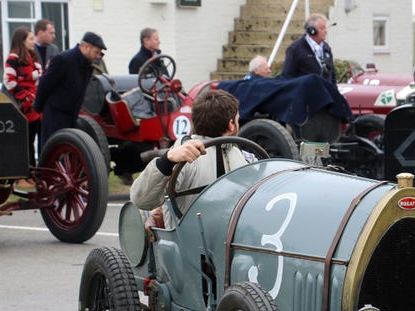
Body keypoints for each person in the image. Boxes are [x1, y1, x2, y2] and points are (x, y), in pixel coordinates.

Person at [130, 89, 257, 229]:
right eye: (238, 119)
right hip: (193, 244)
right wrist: (167, 160)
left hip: (235, 238)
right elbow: (141, 200)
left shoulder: (241, 155)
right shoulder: (184, 155)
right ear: (231, 124)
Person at [34, 31, 106, 148]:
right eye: (96, 52)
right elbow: (45, 84)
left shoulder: (87, 65)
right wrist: (38, 107)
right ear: (86, 47)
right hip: (55, 115)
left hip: (72, 116)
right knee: (52, 149)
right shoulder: (63, 59)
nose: (98, 56)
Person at [4, 26, 43, 166]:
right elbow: (8, 81)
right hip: (25, 107)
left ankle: (37, 170)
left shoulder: (33, 58)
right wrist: (26, 98)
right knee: (27, 141)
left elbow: (38, 79)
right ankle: (27, 171)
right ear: (22, 41)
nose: (34, 41)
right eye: (31, 39)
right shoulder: (13, 58)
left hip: (36, 106)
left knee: (39, 139)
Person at [281, 13, 335, 85]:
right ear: (312, 31)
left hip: (325, 94)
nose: (326, 31)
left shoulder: (326, 48)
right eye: (322, 28)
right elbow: (287, 76)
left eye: (325, 28)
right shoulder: (295, 49)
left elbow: (332, 76)